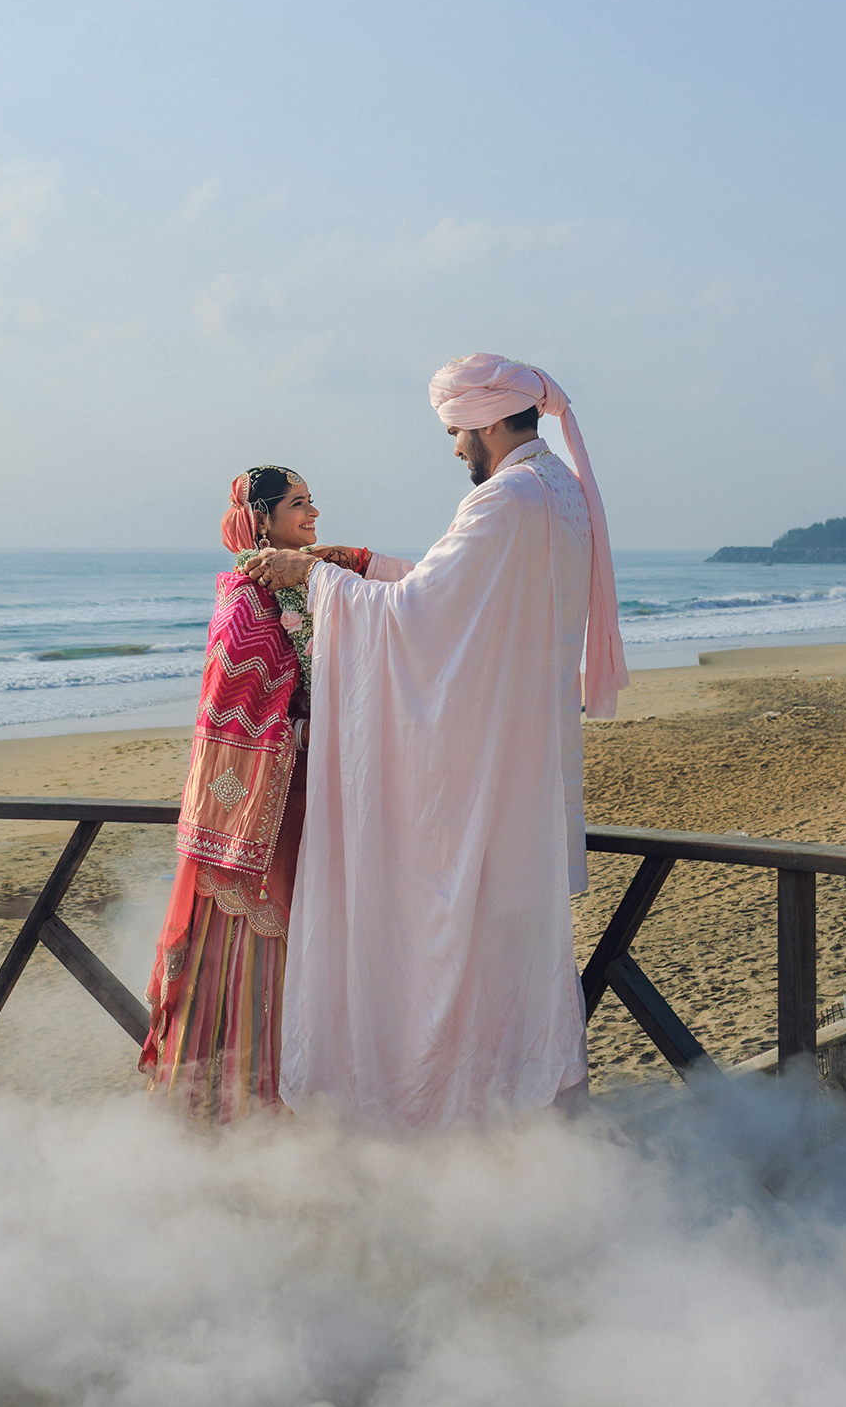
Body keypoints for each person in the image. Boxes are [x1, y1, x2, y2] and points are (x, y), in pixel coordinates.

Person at [240, 354, 628, 1126]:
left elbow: (422, 617)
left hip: (484, 762)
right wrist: (351, 565)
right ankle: (522, 1123)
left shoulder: (508, 500)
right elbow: (451, 591)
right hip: (527, 758)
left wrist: (310, 579)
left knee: (455, 945)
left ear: (487, 421)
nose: (454, 449)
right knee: (510, 957)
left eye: (456, 432)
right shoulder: (562, 494)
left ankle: (452, 1119)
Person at [139, 466, 371, 1120]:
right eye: (299, 504)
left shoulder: (305, 591)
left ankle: (289, 1098)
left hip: (300, 802)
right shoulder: (244, 599)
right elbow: (230, 693)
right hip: (249, 809)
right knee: (243, 953)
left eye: (313, 501)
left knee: (299, 948)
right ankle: (225, 1106)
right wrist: (298, 714)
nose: (315, 512)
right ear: (261, 521)